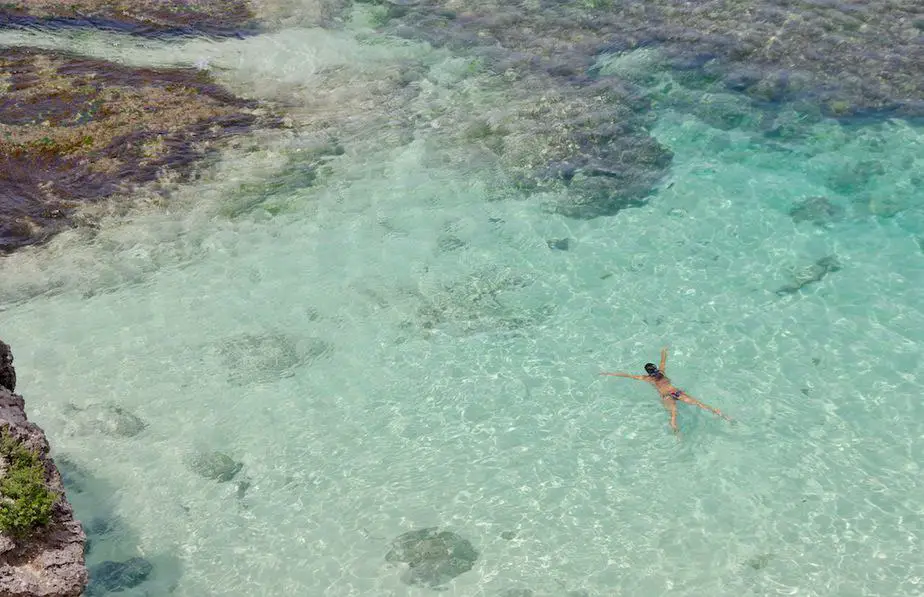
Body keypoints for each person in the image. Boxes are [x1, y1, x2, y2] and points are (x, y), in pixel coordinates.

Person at [600, 348, 730, 433]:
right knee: (677, 413)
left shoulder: (655, 375)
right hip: (670, 394)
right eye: (654, 372)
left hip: (672, 394)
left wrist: (664, 350)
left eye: (656, 371)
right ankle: (677, 434)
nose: (656, 373)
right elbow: (628, 375)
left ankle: (722, 415)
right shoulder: (651, 377)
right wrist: (609, 374)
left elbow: (663, 360)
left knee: (693, 406)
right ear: (652, 372)